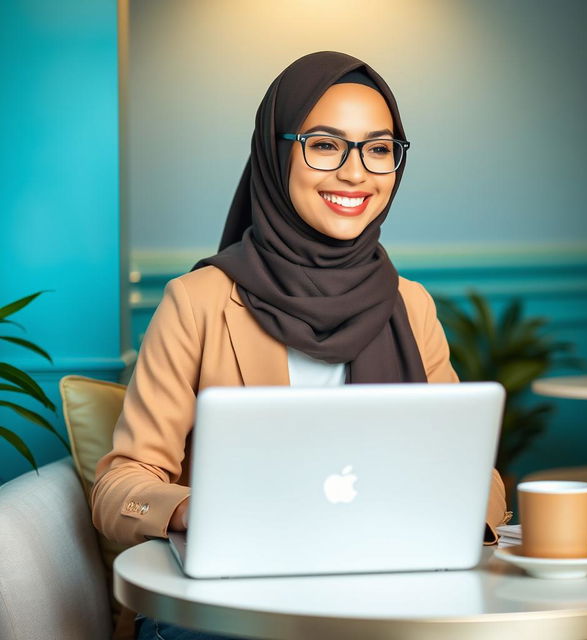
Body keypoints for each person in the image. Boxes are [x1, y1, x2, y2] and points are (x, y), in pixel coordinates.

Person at [92, 51, 509, 640]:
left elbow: (478, 478)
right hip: (231, 607)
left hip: (385, 593)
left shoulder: (410, 305)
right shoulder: (199, 301)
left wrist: (454, 518)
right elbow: (119, 488)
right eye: (325, 144)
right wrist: (195, 512)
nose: (356, 172)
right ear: (276, 151)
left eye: (379, 147)